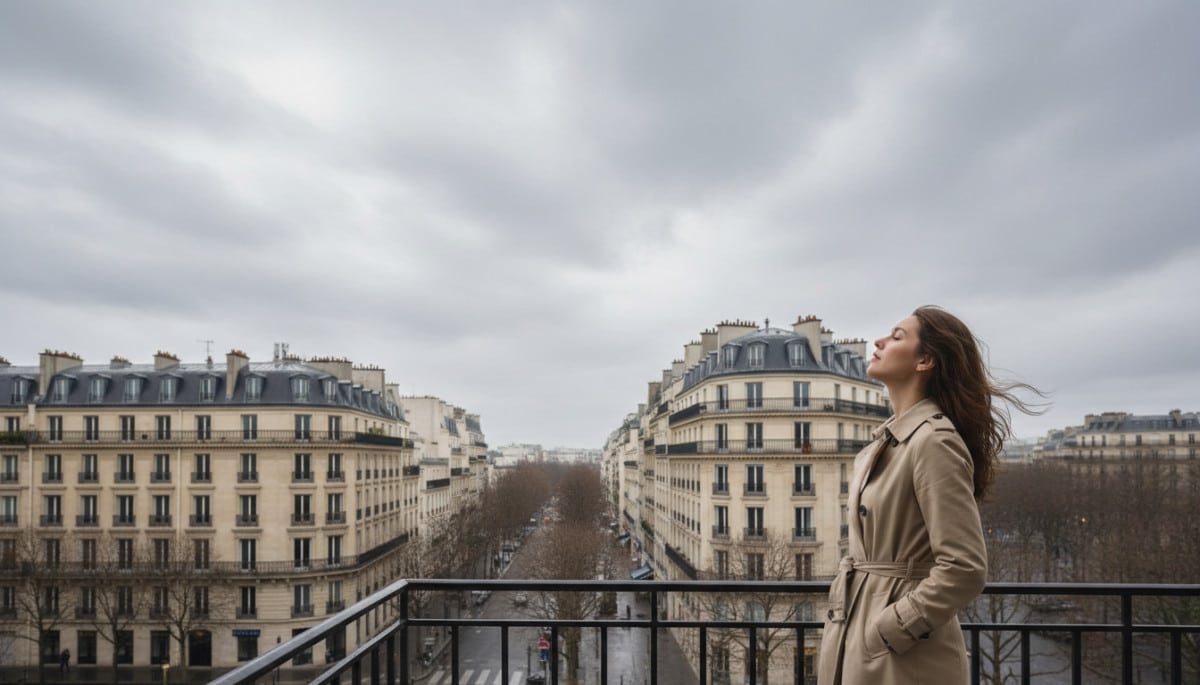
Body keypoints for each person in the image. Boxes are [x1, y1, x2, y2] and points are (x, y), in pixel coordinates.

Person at [818, 306, 1041, 684]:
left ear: (925, 360)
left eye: (897, 336)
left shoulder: (933, 442)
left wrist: (891, 627)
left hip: (903, 652)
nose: (879, 341)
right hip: (860, 633)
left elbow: (965, 567)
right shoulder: (888, 442)